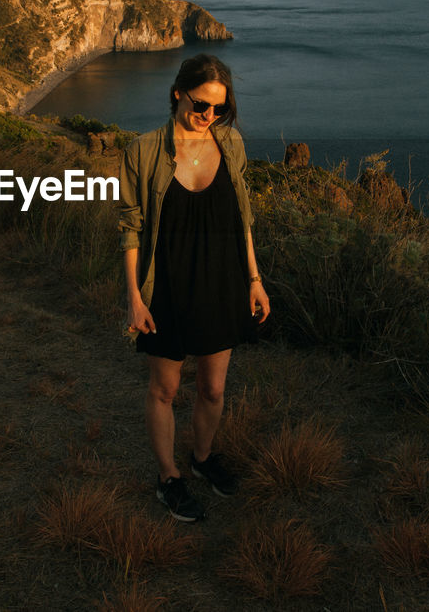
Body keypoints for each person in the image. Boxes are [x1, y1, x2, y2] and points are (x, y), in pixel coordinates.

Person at [118, 53, 271, 522]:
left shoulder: (231, 144)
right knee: (164, 389)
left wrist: (254, 279)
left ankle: (201, 460)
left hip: (221, 282)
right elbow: (130, 228)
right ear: (177, 94)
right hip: (166, 287)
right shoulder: (142, 152)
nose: (208, 117)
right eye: (201, 105)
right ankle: (168, 478)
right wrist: (135, 298)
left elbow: (242, 217)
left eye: (219, 109)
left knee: (214, 388)